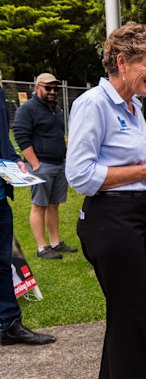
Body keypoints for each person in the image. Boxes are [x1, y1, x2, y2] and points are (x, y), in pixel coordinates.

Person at [65, 22, 146, 379]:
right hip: (110, 220)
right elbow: (79, 174)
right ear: (121, 61)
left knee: (127, 313)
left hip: (136, 216)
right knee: (131, 317)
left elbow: (134, 170)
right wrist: (144, 171)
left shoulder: (132, 107)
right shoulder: (94, 104)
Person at [0, 86, 55, 346]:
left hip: (0, 195)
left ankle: (9, 324)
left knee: (3, 263)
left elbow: (2, 138)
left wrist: (14, 159)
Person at [13, 73, 77, 260]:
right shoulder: (28, 109)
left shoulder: (56, 110)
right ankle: (42, 248)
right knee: (39, 205)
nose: (52, 91)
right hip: (41, 165)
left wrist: (64, 157)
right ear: (37, 87)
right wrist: (35, 164)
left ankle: (56, 243)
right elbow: (21, 136)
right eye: (48, 88)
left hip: (58, 164)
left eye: (55, 88)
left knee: (53, 205)